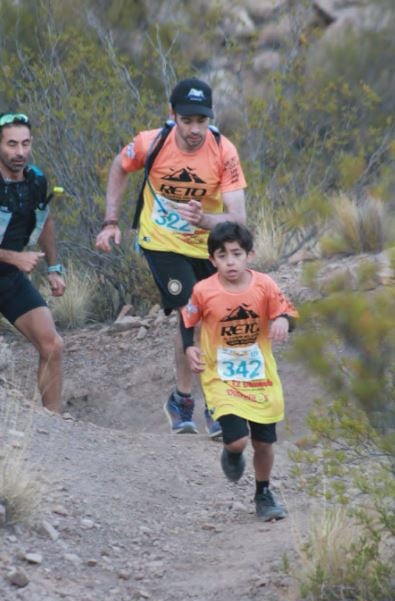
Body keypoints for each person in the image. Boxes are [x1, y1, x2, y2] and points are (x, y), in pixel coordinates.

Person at [96, 77, 247, 437]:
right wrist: (111, 221)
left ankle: (182, 399)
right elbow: (119, 166)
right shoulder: (151, 143)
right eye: (187, 120)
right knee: (191, 308)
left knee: (212, 316)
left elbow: (238, 218)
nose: (195, 129)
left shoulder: (224, 151)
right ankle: (209, 404)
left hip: (206, 245)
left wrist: (206, 219)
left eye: (202, 121)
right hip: (160, 241)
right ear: (173, 116)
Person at [181, 222, 298, 521]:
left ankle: (263, 494)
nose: (230, 261)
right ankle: (232, 453)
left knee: (264, 443)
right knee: (237, 440)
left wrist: (284, 320)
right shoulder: (204, 290)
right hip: (221, 375)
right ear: (212, 260)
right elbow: (187, 320)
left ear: (250, 254)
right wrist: (188, 347)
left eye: (236, 253)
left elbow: (287, 311)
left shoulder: (265, 285)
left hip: (261, 376)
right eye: (222, 255)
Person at [0, 113, 65, 413]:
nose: (20, 152)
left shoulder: (36, 179)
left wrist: (54, 268)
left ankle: (54, 424)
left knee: (52, 345)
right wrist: (15, 257)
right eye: (12, 144)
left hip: (8, 277)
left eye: (25, 144)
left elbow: (45, 220)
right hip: (12, 263)